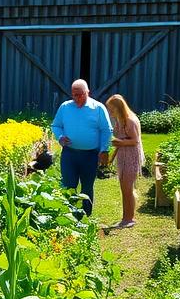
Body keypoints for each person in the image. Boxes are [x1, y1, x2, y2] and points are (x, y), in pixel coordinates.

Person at [50, 78, 111, 215]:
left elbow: (106, 130)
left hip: (90, 155)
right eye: (74, 94)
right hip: (69, 155)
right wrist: (60, 137)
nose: (76, 98)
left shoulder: (98, 108)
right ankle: (69, 216)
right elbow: (56, 125)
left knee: (87, 187)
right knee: (69, 186)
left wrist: (104, 150)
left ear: (87, 92)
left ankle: (85, 216)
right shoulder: (65, 107)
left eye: (80, 94)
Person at [105, 94, 144, 228]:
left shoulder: (130, 120)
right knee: (124, 188)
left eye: (111, 109)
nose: (110, 112)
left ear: (119, 108)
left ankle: (129, 219)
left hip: (131, 157)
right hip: (123, 156)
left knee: (127, 188)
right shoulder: (119, 120)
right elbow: (119, 142)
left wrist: (118, 142)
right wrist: (112, 157)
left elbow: (135, 141)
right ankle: (125, 218)